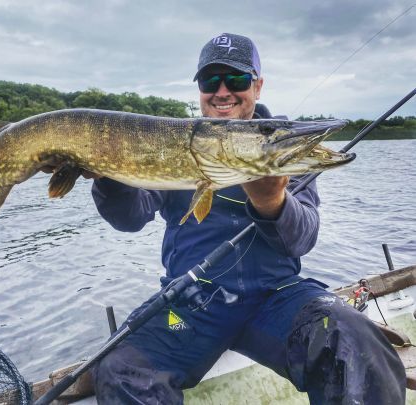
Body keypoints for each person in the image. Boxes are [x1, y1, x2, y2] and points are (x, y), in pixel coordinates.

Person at [89, 33, 406, 404]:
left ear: (257, 84)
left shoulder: (283, 146)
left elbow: (302, 238)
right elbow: (129, 218)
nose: (223, 91)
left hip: (276, 300)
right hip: (190, 307)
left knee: (353, 338)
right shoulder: (169, 143)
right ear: (200, 89)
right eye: (211, 81)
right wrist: (107, 175)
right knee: (119, 371)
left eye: (236, 80)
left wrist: (272, 200)